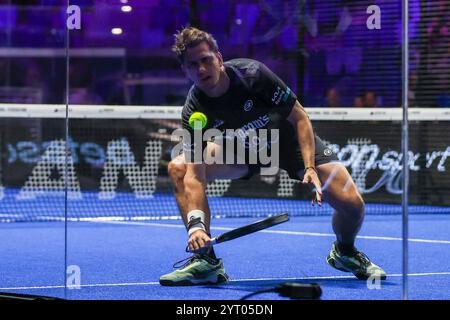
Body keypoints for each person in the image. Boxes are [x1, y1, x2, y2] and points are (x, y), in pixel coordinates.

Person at [160, 27, 386, 286]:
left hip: (289, 145)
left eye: (206, 60)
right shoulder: (194, 110)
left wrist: (310, 167)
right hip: (242, 149)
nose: (201, 69)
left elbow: (299, 117)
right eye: (192, 64)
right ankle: (206, 261)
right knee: (179, 166)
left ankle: (345, 252)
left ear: (219, 58)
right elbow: (195, 175)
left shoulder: (253, 75)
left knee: (353, 206)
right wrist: (195, 226)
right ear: (185, 71)